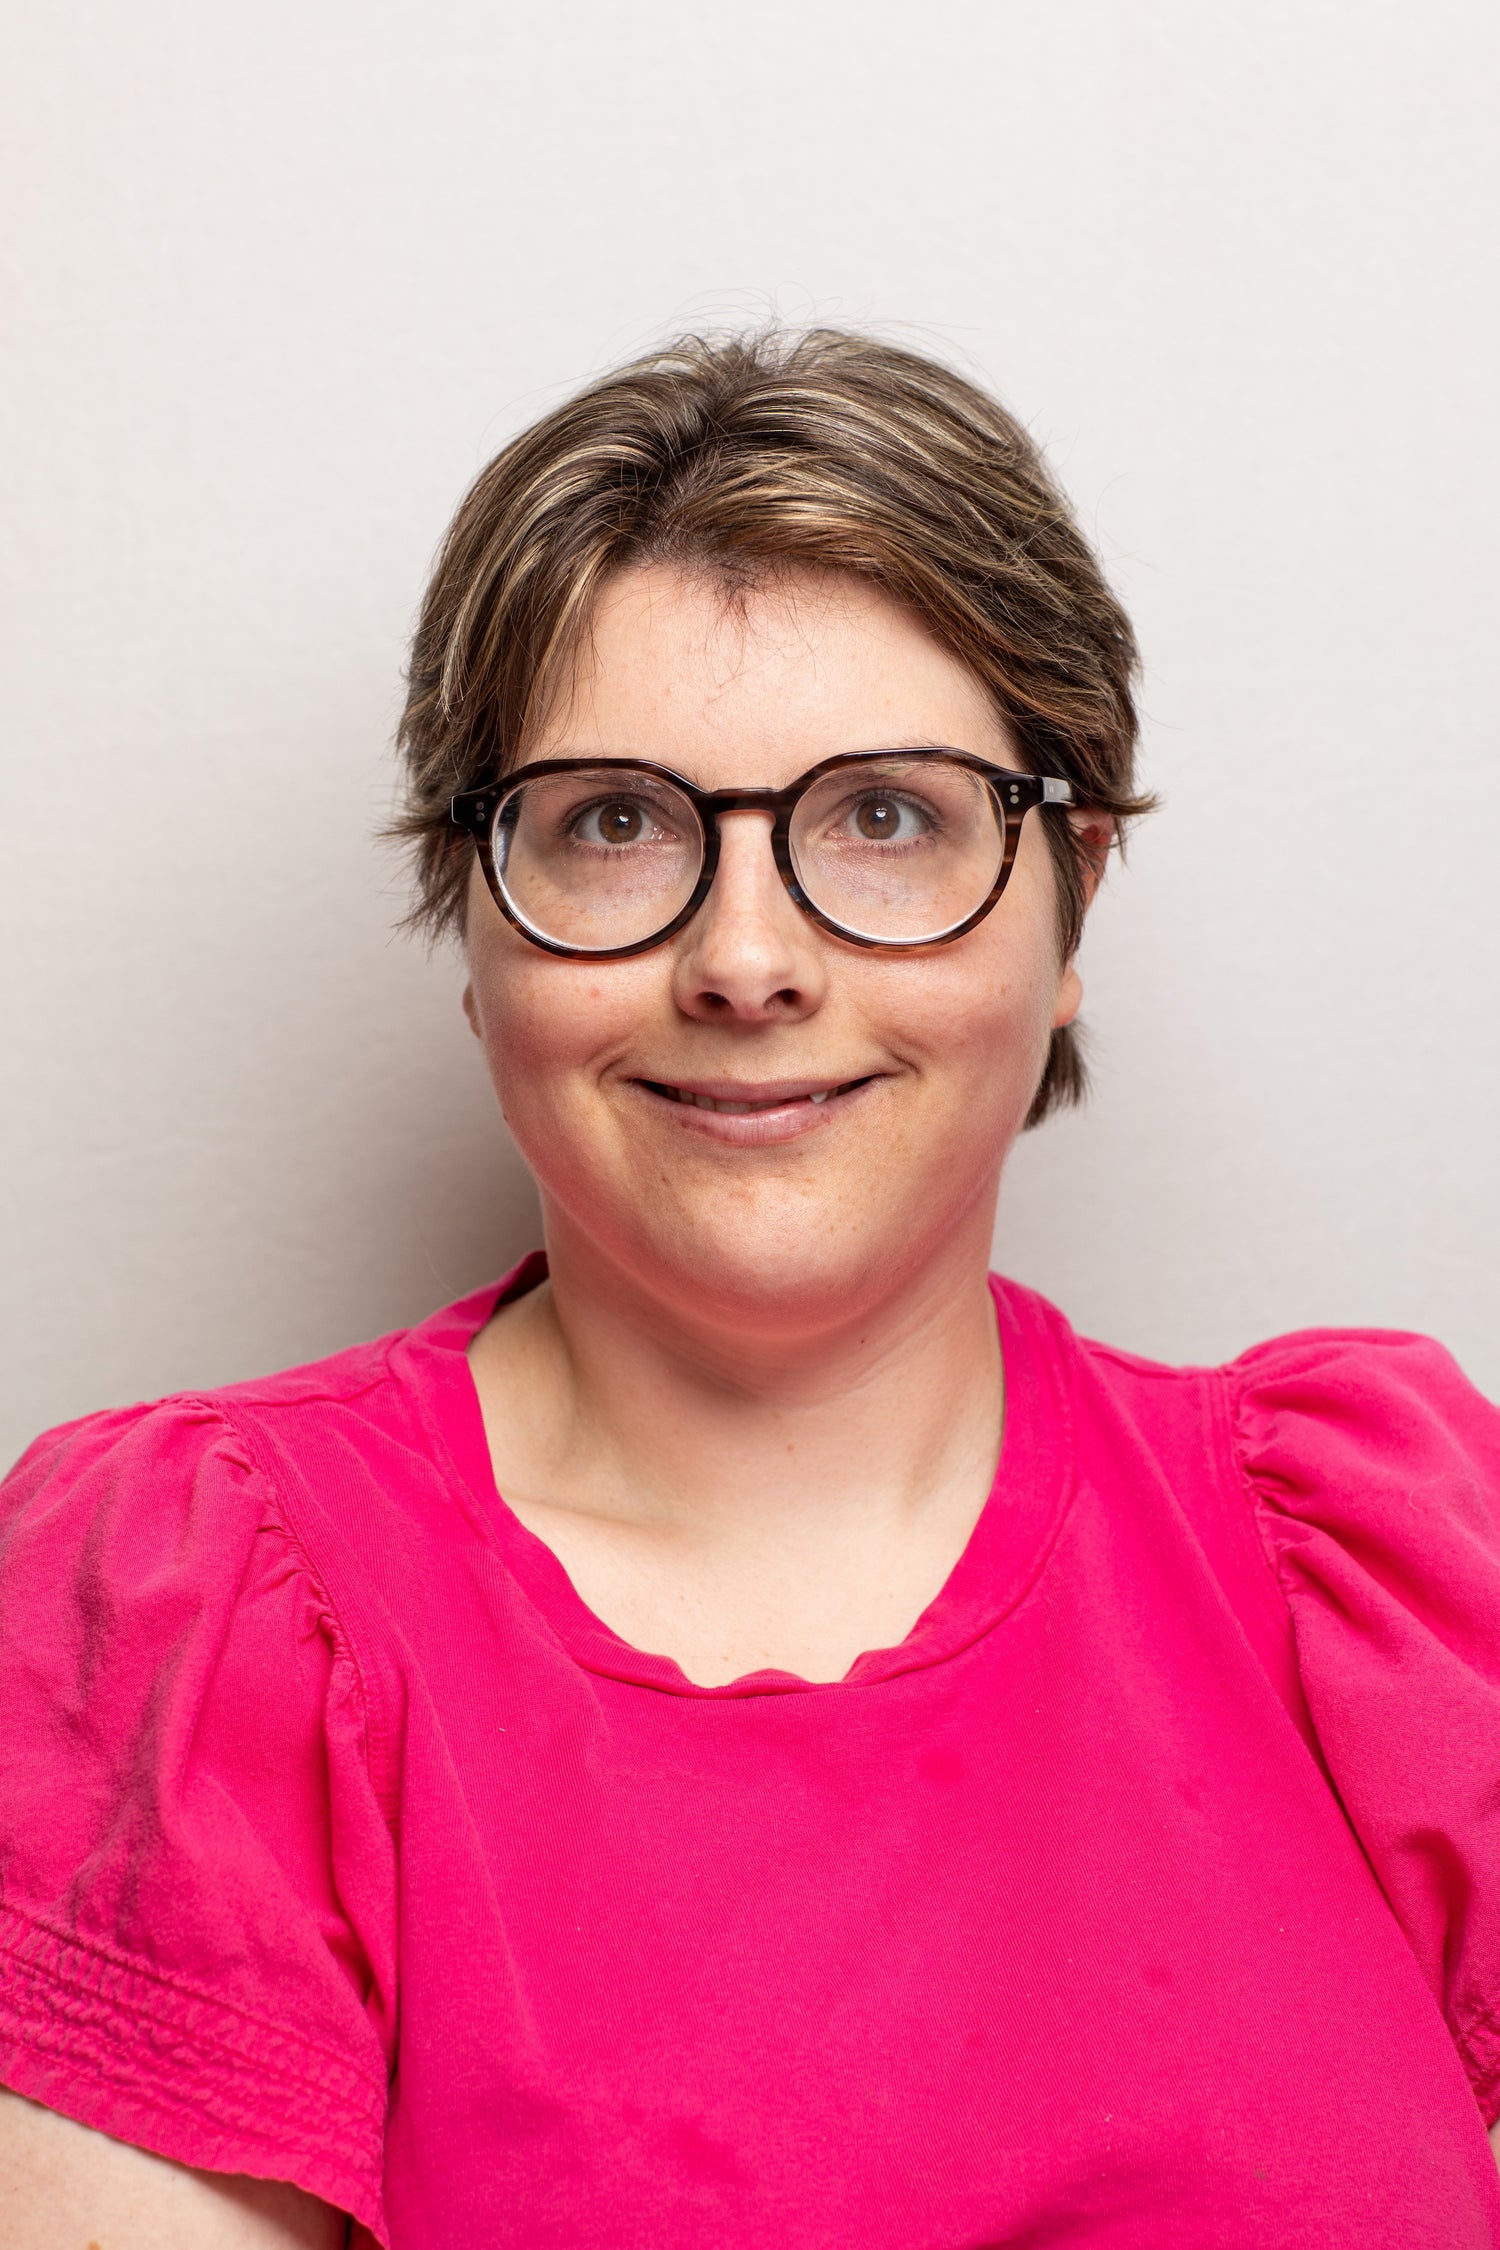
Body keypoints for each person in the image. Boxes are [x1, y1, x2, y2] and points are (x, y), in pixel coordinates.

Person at [1, 329, 1497, 2250]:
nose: (748, 957)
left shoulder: (1384, 1566)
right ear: (480, 930)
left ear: (1073, 907)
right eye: (614, 822)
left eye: (887, 815)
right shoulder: (192, 1608)